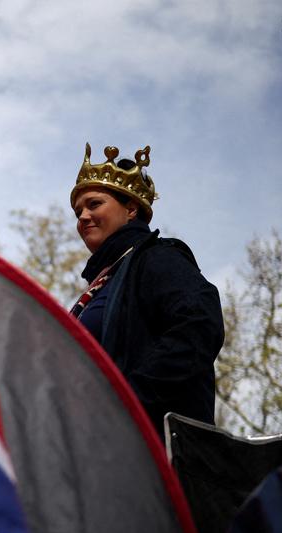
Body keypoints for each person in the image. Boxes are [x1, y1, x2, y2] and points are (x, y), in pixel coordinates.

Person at [69, 143, 224, 435]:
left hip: (151, 449)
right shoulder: (102, 282)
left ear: (130, 209)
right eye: (78, 211)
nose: (82, 217)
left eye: (94, 204)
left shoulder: (157, 257)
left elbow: (199, 324)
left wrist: (128, 399)